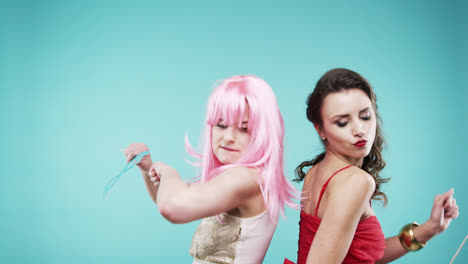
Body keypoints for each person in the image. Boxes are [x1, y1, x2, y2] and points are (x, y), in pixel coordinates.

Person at [284, 68, 459, 264]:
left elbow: (360, 254)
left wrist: (429, 229)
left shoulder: (317, 171)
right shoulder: (355, 182)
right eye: (342, 122)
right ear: (320, 129)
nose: (359, 130)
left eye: (365, 116)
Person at [124, 75, 299, 264]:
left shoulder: (246, 178)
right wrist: (147, 169)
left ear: (263, 134)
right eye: (221, 125)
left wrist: (169, 173)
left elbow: (171, 207)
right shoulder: (246, 178)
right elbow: (169, 201)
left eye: (244, 128)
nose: (228, 137)